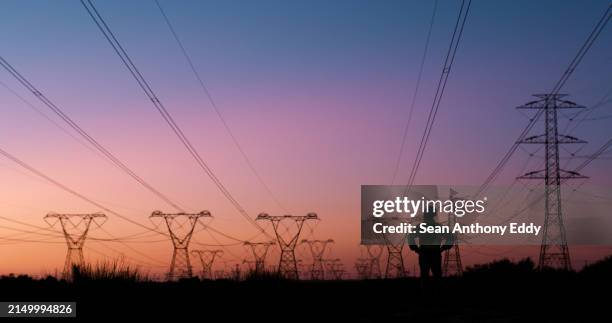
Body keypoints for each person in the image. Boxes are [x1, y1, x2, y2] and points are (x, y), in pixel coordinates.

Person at [408, 209, 454, 279]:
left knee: (425, 276)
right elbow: (450, 237)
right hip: (434, 253)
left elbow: (410, 237)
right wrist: (443, 248)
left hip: (425, 254)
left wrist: (416, 249)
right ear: (433, 216)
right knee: (436, 275)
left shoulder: (420, 227)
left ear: (425, 216)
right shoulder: (438, 227)